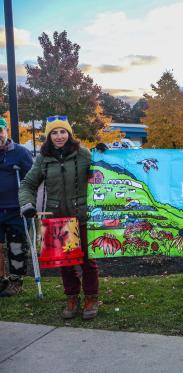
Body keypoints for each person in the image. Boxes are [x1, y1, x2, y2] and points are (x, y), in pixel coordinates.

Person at [19, 115, 100, 319]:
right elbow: (28, 184)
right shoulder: (43, 159)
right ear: (48, 136)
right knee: (64, 262)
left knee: (88, 261)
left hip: (82, 215)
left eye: (62, 131)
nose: (59, 136)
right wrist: (27, 204)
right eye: (54, 133)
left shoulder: (84, 154)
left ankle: (91, 297)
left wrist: (104, 158)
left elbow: (100, 173)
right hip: (57, 218)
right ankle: (72, 297)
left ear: (69, 133)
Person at [0, 118, 33, 296]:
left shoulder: (20, 153)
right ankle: (1, 279)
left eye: (0, 130)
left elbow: (33, 178)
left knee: (16, 246)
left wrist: (29, 202)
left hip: (15, 210)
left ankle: (16, 282)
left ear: (6, 131)